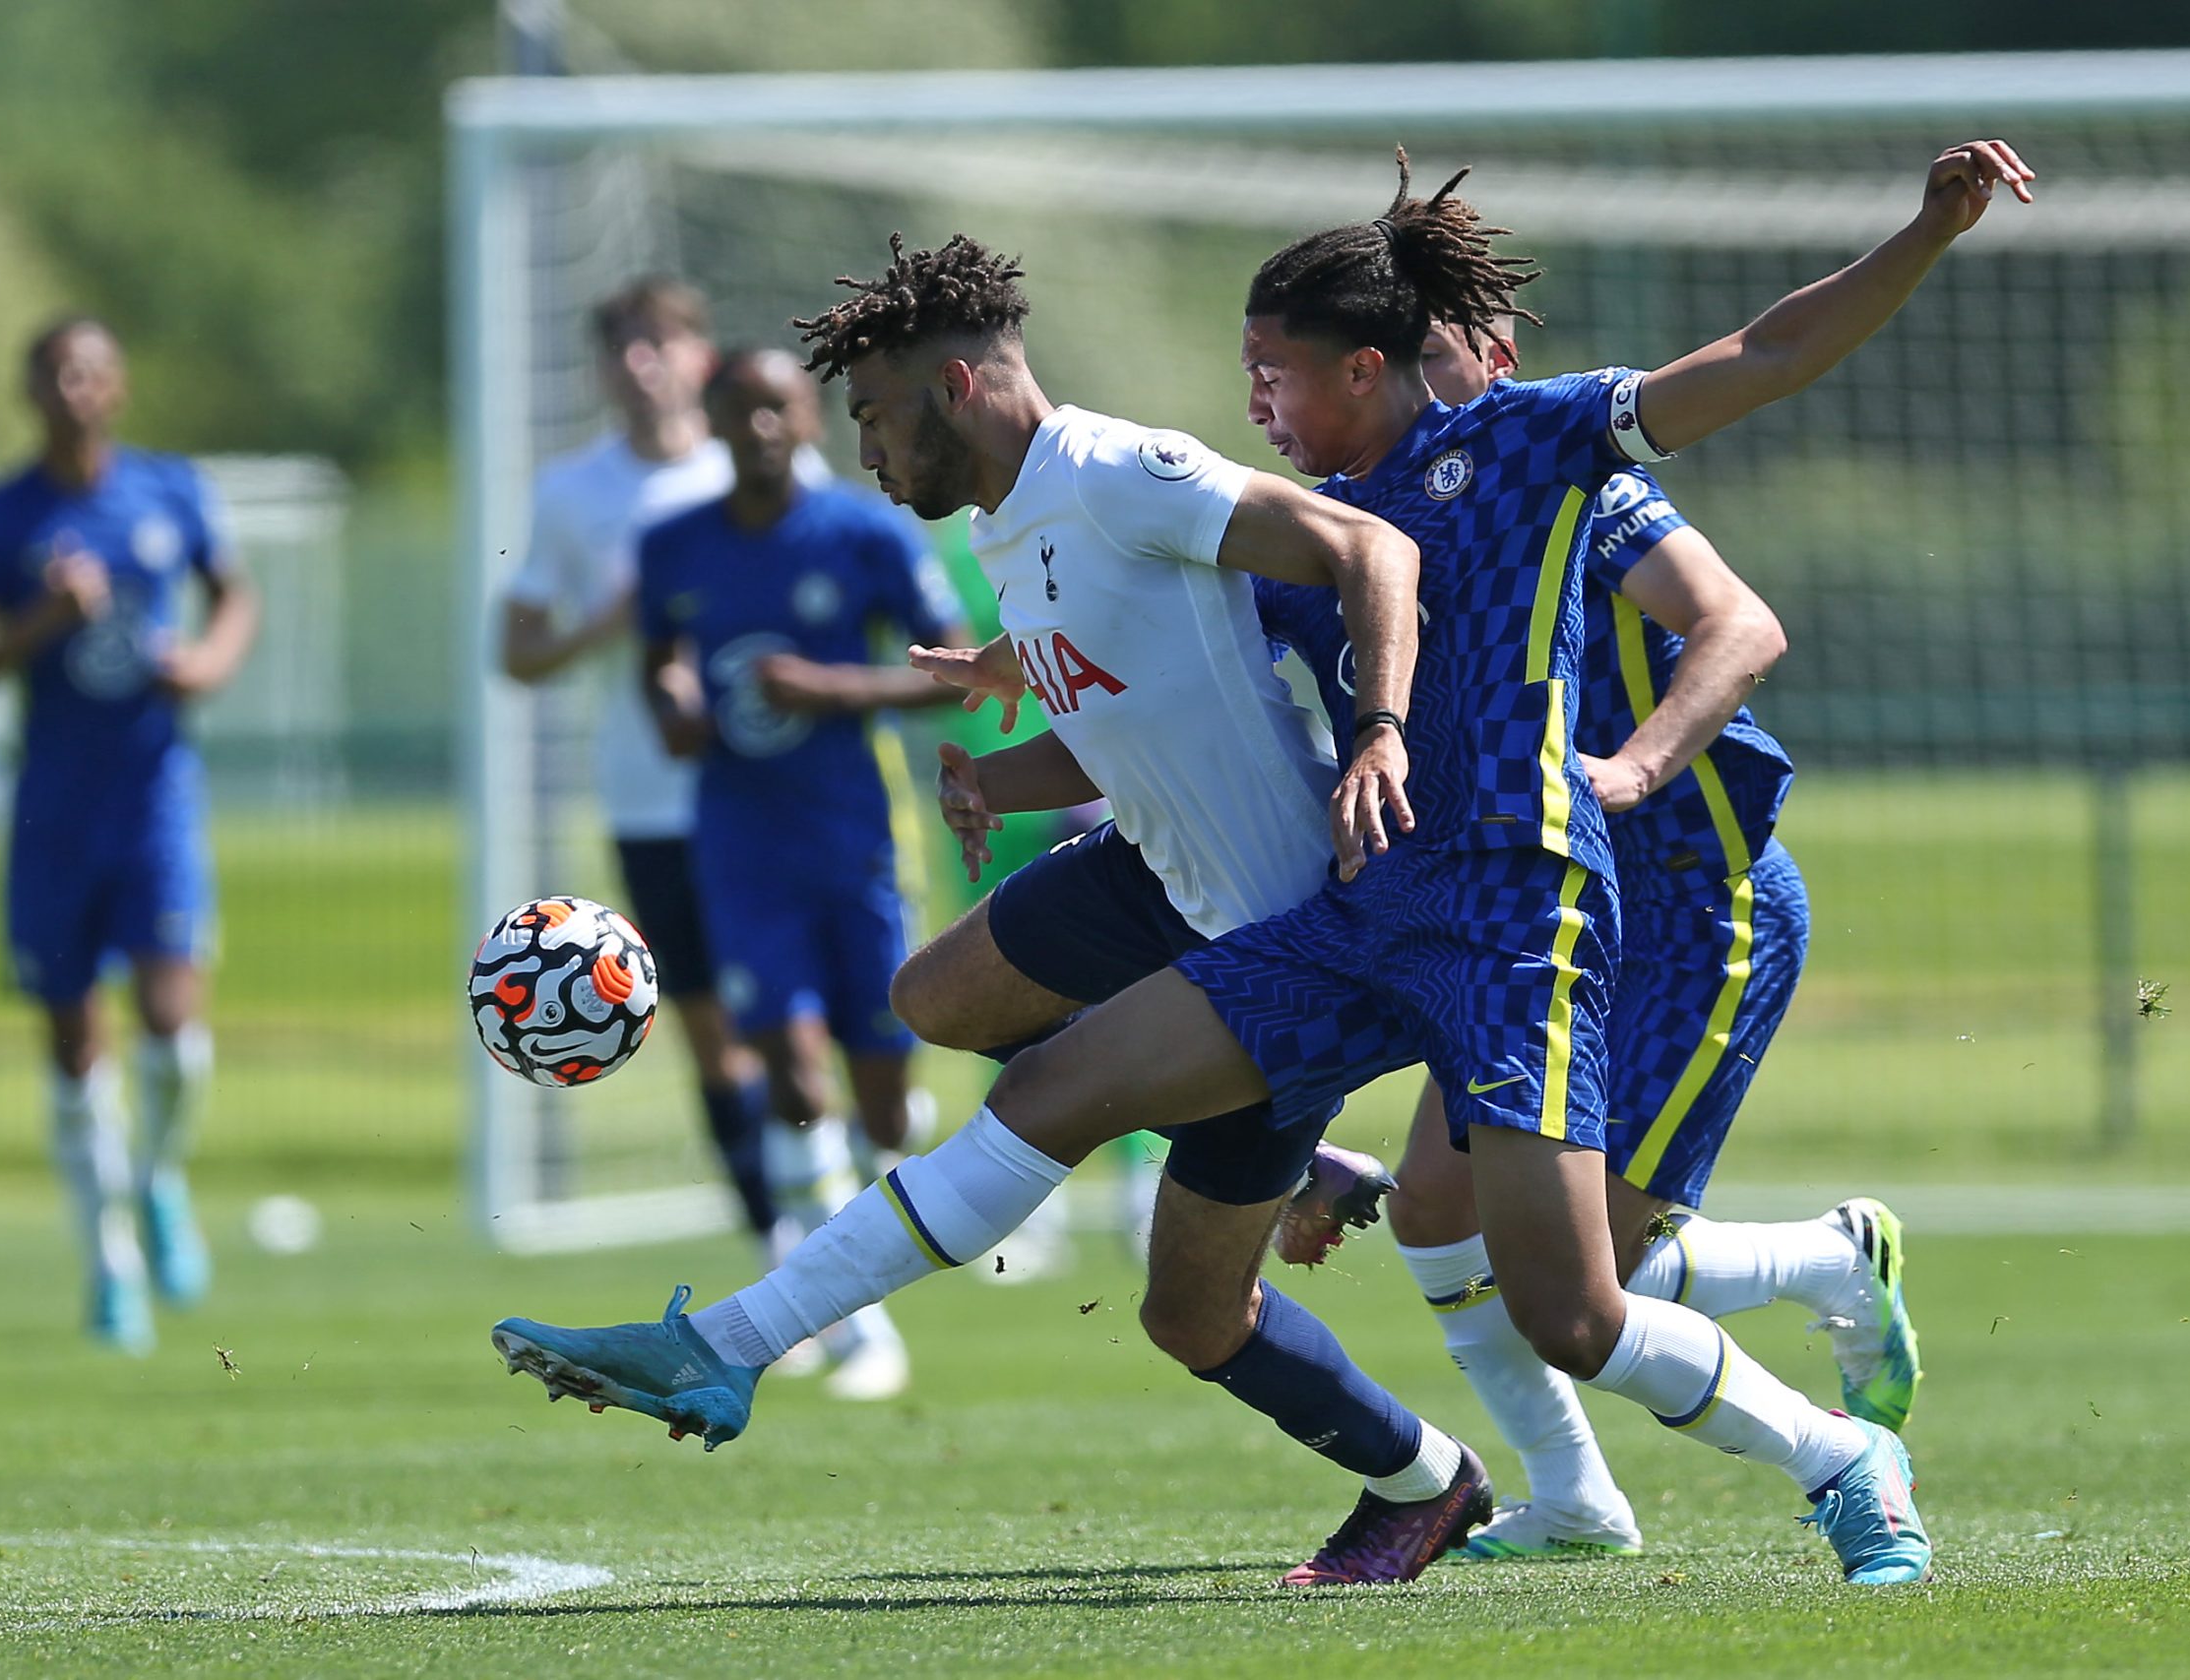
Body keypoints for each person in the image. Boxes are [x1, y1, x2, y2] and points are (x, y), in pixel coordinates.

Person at [489, 137, 2030, 1589]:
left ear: (1367, 363)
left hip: (1520, 914)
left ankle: (1841, 1454)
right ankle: (735, 1342)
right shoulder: (1312, 533)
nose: (1255, 401)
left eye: (1273, 372)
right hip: (1361, 910)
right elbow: (1196, 694)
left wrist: (1924, 233)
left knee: (1570, 1306)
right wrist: (1017, 710)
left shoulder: (1536, 439)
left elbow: (1756, 360)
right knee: (1053, 1087)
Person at [506, 236, 1496, 1587]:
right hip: (1161, 879)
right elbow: (1128, 707)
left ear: (956, 385)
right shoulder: (1003, 520)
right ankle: (1433, 1471)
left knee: (1159, 1269)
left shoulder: (1117, 473)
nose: (860, 447)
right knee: (939, 998)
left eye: (871, 415)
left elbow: (1369, 543)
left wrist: (1379, 729)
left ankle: (728, 1344)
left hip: (1278, 939)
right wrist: (1002, 762)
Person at [1269, 314, 1918, 1564]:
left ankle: (1831, 1261)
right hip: (1532, 908)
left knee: (1577, 1280)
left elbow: (1743, 626)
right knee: (1442, 1223)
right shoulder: (1354, 511)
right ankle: (1573, 1499)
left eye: (1438, 354)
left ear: (1489, 360)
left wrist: (1631, 767)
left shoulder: (1562, 477)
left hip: (1689, 899)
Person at [631, 345, 976, 1400]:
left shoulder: (863, 532)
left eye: (777, 409)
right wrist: (676, 702)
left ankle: (869, 1200)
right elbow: (661, 659)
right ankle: (850, 1320)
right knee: (788, 1071)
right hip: (738, 844)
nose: (759, 430)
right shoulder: (673, 545)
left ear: (809, 421)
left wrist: (828, 687)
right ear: (712, 424)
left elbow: (955, 671)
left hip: (856, 842)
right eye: (736, 413)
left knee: (882, 1100)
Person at [0, 317, 259, 1352]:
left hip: (155, 797)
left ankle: (158, 1179)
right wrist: (38, 622)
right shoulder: (0, 517)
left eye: (92, 372)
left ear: (116, 388)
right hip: (52, 815)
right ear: (32, 392)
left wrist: (208, 663)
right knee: (76, 1052)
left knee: (175, 1038)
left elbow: (235, 594)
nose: (75, 389)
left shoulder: (167, 490)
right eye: (55, 373)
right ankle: (108, 1264)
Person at [496, 278, 782, 1257]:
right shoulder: (572, 493)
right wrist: (606, 624)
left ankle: (842, 1204)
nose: (640, 361)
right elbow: (518, 651)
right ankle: (774, 1242)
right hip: (649, 796)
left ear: (702, 359)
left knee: (799, 1018)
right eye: (622, 344)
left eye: (660, 341)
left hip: (773, 788)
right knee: (707, 1024)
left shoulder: (757, 473)